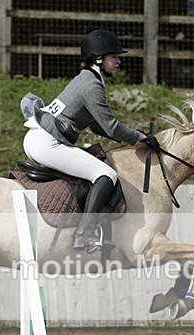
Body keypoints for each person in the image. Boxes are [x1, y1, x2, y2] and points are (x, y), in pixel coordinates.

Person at [20, 29, 152, 254]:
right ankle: (86, 233)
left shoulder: (86, 79)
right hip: (47, 143)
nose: (119, 61)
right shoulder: (92, 86)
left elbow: (97, 126)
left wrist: (133, 137)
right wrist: (139, 137)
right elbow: (111, 126)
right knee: (106, 174)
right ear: (99, 59)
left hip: (39, 138)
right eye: (114, 57)